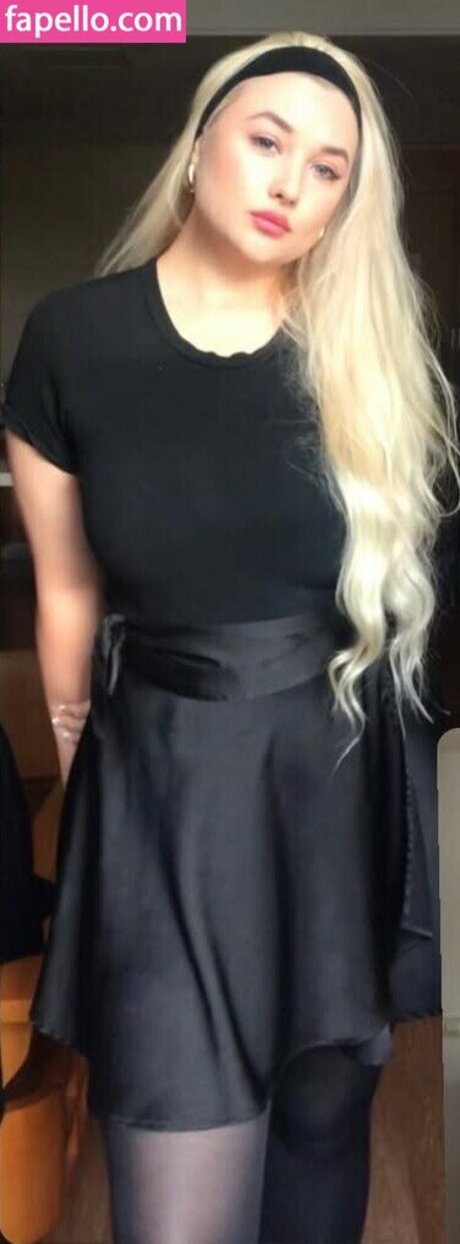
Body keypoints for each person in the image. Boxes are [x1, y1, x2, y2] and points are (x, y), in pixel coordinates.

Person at [3, 30, 459, 1244]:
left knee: (322, 1117)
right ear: (202, 138)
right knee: (176, 1165)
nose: (289, 184)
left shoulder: (369, 354)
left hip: (335, 771)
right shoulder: (73, 340)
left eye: (328, 168)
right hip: (160, 781)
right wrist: (85, 765)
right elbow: (66, 589)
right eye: (267, 141)